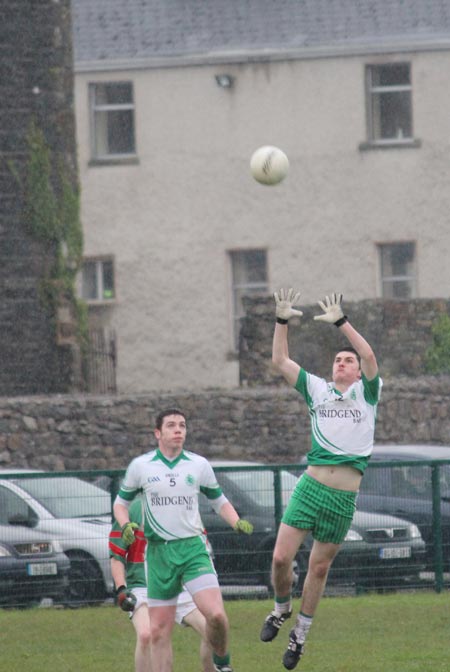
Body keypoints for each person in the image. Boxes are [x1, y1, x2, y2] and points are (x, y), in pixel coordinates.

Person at [260, 290, 382, 670]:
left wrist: (342, 323)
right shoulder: (317, 390)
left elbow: (370, 356)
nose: (343, 363)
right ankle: (281, 609)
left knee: (318, 568)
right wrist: (281, 320)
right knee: (281, 557)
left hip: (342, 498)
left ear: (357, 372)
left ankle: (300, 636)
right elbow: (279, 360)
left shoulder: (367, 394)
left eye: (348, 360)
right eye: (338, 360)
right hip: (310, 487)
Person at [113, 408, 254, 672]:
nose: (178, 430)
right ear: (158, 433)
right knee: (158, 634)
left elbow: (219, 500)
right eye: (171, 425)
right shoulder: (141, 467)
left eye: (182, 425)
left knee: (216, 616)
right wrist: (126, 525)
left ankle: (221, 662)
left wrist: (235, 520)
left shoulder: (198, 465)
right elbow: (120, 505)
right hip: (158, 556)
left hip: (192, 550)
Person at [109, 497, 215, 672]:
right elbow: (116, 556)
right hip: (142, 588)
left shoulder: (182, 508)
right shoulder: (131, 510)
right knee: (146, 635)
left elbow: (198, 551)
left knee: (213, 631)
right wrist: (121, 589)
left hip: (177, 585)